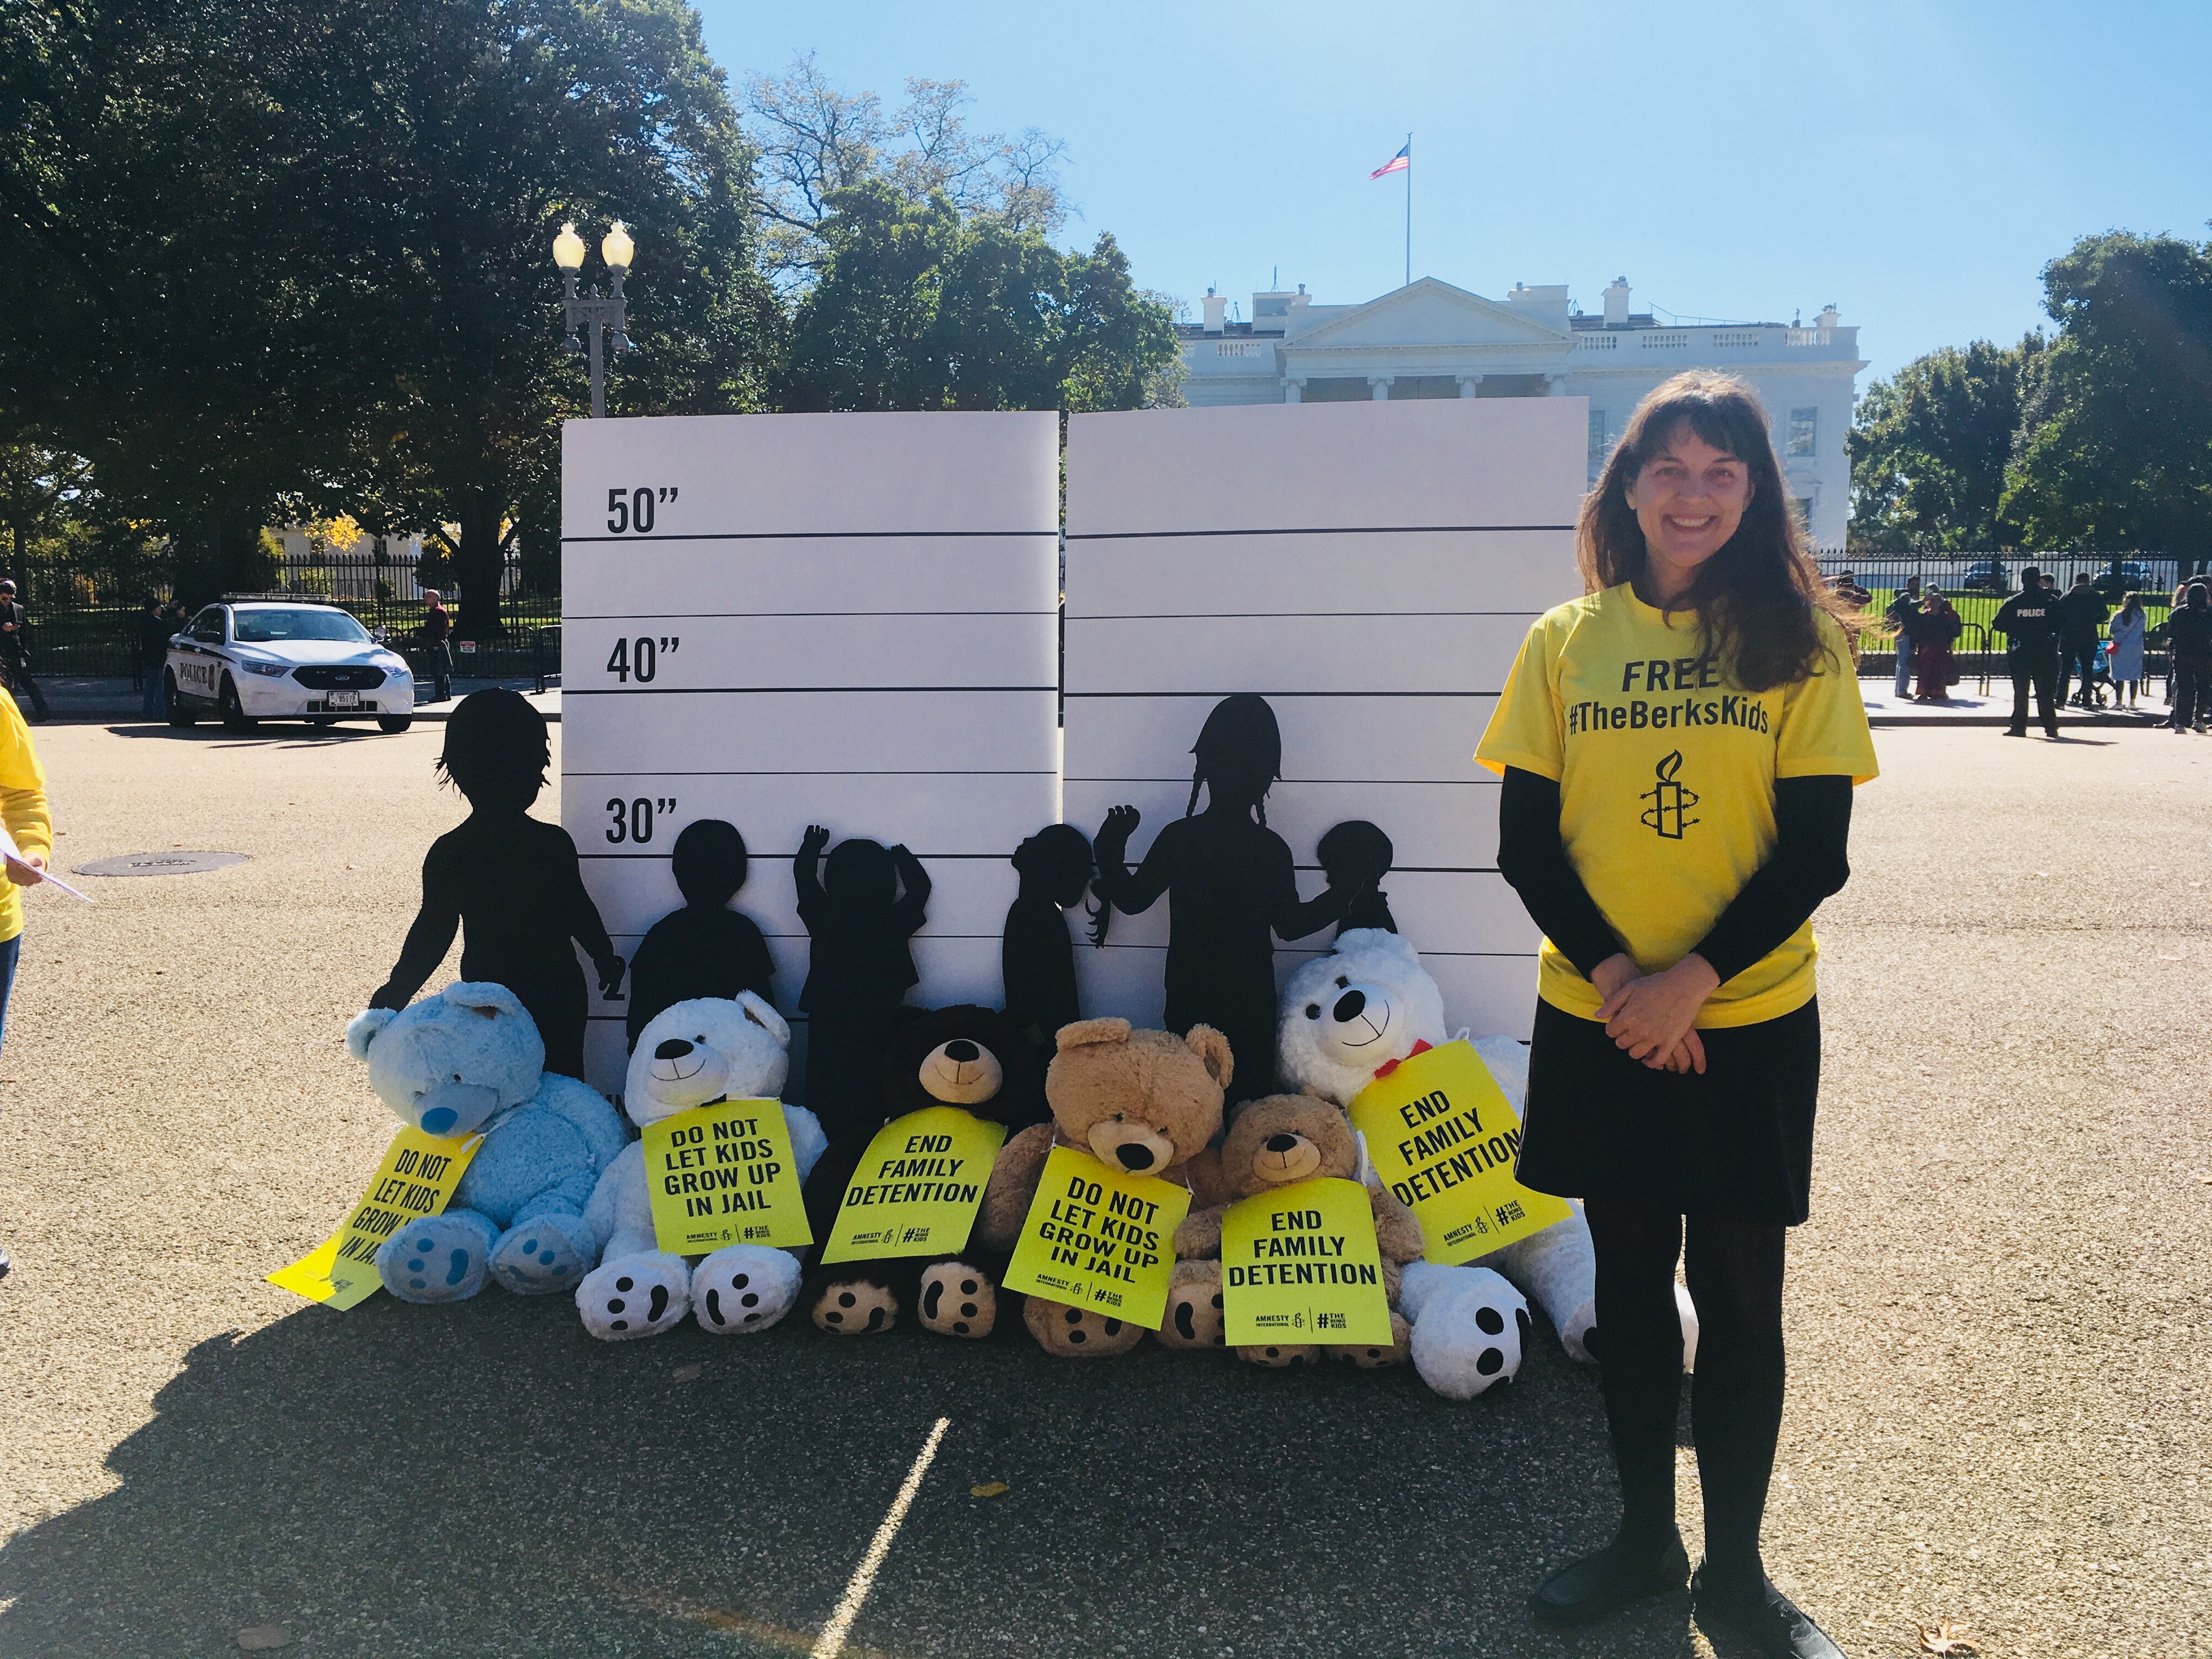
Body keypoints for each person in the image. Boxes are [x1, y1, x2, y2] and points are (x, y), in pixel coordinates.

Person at [1479, 371, 1874, 1659]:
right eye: (1671, 468)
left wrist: (1689, 982)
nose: (1693, 493)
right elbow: (1527, 847)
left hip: (1746, 1016)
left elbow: (1816, 850)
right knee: (1634, 1291)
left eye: (1723, 471)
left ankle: (1741, 1578)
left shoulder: (1801, 644)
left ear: (1756, 491)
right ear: (1629, 485)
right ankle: (1647, 1541)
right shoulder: (1562, 641)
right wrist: (1620, 987)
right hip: (1599, 1021)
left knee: (1742, 1298)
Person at [1091, 694, 1353, 1106]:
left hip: (1193, 992)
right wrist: (1345, 892)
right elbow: (1291, 925)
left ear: (1205, 767)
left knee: (1188, 1099)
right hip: (1244, 998)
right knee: (1239, 1101)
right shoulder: (1267, 848)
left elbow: (1133, 899)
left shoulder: (1184, 838)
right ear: (1267, 779)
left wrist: (1109, 852)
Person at [370, 687, 623, 1077]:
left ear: (457, 770)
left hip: (489, 995)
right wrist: (603, 957)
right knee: (564, 1079)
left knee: (496, 1083)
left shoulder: (450, 852)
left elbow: (433, 933)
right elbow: (578, 911)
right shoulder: (551, 844)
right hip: (554, 989)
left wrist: (397, 991)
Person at [795, 828, 931, 1139]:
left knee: (825, 1083)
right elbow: (921, 889)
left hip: (830, 1017)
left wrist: (811, 847)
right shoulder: (891, 920)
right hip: (878, 1015)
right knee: (876, 1085)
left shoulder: (825, 916)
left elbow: (804, 879)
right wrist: (903, 859)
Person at [624, 818, 775, 1052]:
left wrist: (638, 1046)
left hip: (677, 1056)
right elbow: (763, 1006)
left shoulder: (664, 932)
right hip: (729, 1054)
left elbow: (641, 1002)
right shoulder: (743, 931)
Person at [1001, 823, 1094, 1042]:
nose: (1026, 841)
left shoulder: (1030, 911)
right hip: (1045, 1037)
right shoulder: (1039, 913)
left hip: (1041, 1037)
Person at [1993, 566, 2064, 738]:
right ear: (2039, 579)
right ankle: (2050, 727)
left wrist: (2017, 628)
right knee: (2045, 692)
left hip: (2021, 650)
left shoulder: (2015, 601)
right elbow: (2061, 622)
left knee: (2021, 692)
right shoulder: (2050, 600)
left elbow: (1998, 624)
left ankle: (2019, 727)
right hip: (2045, 650)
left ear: (2023, 580)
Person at [2055, 574, 2109, 709]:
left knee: (2066, 669)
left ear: (2076, 582)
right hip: (2088, 636)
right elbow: (2104, 615)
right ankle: (2087, 701)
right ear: (2088, 582)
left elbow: (2058, 615)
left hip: (2069, 637)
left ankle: (2061, 700)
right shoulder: (2096, 596)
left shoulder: (2067, 597)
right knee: (2087, 670)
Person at [0, 580, 49, 723]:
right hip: (2, 654)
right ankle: (10, 717)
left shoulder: (18, 609)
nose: (7, 601)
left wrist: (26, 650)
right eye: (5, 598)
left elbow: (26, 631)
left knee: (28, 683)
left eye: (10, 598)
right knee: (7, 686)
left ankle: (43, 712)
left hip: (17, 652)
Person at [2166, 583, 2212, 733]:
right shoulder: (2209, 613)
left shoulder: (2179, 612)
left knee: (2184, 688)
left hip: (2183, 653)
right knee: (2203, 687)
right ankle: (2198, 719)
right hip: (2204, 654)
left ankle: (2180, 722)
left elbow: (2171, 632)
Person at [1912, 591, 1962, 702]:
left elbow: (1952, 632)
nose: (1933, 603)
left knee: (1939, 670)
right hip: (1926, 647)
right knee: (1925, 670)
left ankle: (1938, 691)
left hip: (1941, 646)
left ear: (1940, 603)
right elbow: (1917, 632)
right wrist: (1914, 645)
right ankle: (1923, 692)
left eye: (1936, 600)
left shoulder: (1946, 618)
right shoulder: (1923, 617)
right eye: (1931, 600)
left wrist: (1949, 644)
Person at [1883, 575, 1922, 698]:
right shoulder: (1905, 597)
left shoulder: (1906, 598)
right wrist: (1924, 601)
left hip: (1907, 633)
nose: (1915, 588)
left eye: (1917, 585)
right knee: (1904, 662)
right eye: (1914, 585)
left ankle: (1900, 689)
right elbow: (1912, 606)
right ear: (1908, 584)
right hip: (1904, 633)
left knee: (1903, 662)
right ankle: (1901, 691)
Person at [137, 597, 175, 719]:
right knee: (160, 686)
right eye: (159, 608)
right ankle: (160, 713)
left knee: (150, 686)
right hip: (158, 658)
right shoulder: (157, 624)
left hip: (149, 658)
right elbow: (168, 632)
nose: (161, 610)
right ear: (154, 610)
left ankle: (147, 712)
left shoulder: (145, 622)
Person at [2107, 592, 2146, 709]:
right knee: (2134, 675)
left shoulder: (2119, 616)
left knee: (2119, 674)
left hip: (2120, 646)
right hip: (2136, 647)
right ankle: (2132, 702)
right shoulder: (2142, 616)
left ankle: (2119, 701)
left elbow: (2111, 631)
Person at [419, 588, 453, 703]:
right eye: (425, 596)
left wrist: (436, 644)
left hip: (438, 644)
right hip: (437, 643)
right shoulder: (435, 611)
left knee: (439, 670)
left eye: (428, 596)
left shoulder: (439, 612)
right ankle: (445, 694)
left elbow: (441, 630)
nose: (425, 598)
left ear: (436, 599)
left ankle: (441, 694)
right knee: (441, 670)